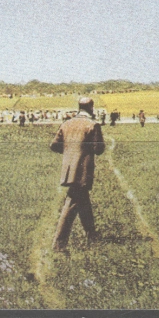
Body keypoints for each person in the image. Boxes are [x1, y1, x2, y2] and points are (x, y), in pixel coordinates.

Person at [51, 97, 105, 251]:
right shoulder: (92, 125)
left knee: (83, 203)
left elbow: (54, 145)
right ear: (91, 107)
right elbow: (99, 149)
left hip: (69, 170)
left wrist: (69, 152)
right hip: (83, 171)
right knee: (71, 204)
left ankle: (92, 236)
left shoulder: (66, 124)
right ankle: (59, 245)